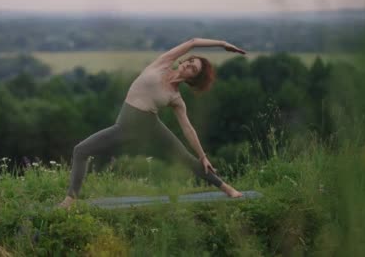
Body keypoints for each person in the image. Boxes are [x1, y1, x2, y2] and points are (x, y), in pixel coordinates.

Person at [58, 38, 246, 209]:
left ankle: (228, 189)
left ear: (193, 78)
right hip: (124, 128)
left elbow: (188, 128)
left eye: (193, 69)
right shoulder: (162, 63)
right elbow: (193, 42)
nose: (188, 65)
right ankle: (70, 200)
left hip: (150, 126)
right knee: (80, 150)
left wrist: (203, 155)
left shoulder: (176, 98)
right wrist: (222, 44)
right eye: (190, 61)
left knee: (187, 159)